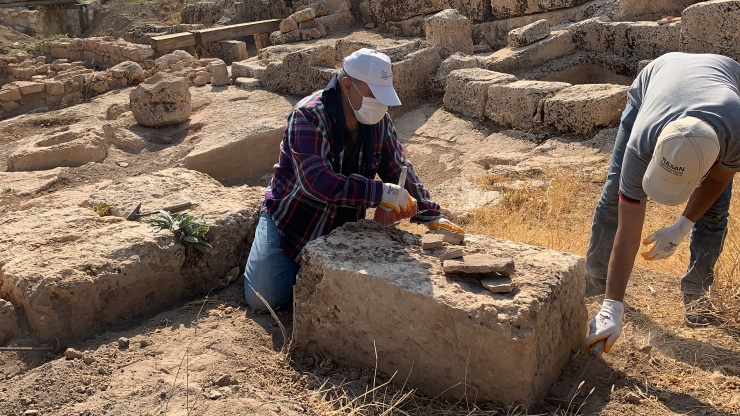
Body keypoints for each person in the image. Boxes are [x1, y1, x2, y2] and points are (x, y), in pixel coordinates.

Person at [243, 48, 465, 311]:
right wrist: (380, 192)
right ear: (348, 86)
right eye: (374, 95)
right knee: (262, 297)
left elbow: (398, 166)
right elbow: (317, 182)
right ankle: (270, 248)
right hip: (293, 221)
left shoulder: (378, 121)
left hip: (341, 225)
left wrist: (431, 214)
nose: (381, 105)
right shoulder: (308, 116)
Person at [584, 52, 740, 354]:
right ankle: (597, 280)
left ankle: (696, 294)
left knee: (715, 210)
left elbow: (718, 180)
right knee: (614, 193)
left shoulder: (737, 133)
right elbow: (629, 231)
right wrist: (613, 307)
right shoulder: (641, 144)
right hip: (656, 81)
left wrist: (682, 226)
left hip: (725, 81)